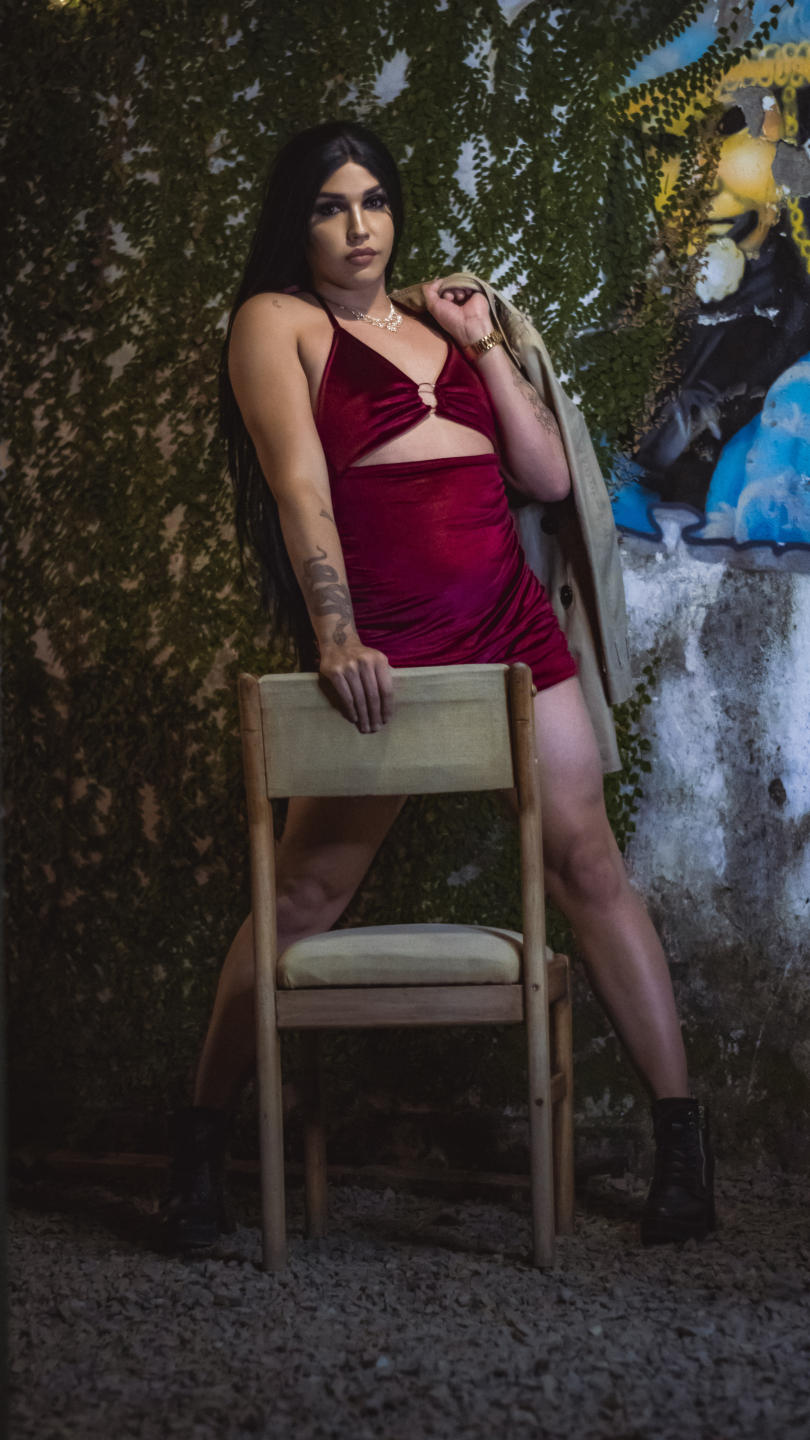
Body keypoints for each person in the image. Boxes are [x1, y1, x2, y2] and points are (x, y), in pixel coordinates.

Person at [163, 121, 714, 1252]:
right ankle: (199, 1149)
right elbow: (299, 488)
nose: (358, 227)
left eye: (374, 201)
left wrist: (482, 340)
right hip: (387, 646)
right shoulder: (275, 323)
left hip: (512, 634)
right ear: (298, 220)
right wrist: (336, 637)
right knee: (305, 895)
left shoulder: (438, 322)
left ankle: (681, 1143)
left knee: (588, 865)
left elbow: (546, 474)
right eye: (330, 206)